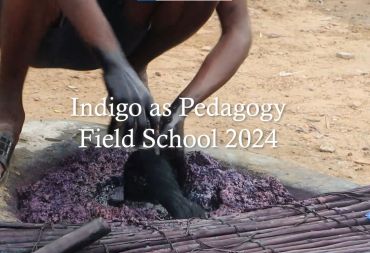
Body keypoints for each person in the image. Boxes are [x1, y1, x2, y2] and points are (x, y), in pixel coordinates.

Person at [0, 0, 252, 184]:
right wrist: (112, 62)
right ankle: (7, 106)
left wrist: (179, 111)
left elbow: (238, 30)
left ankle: (135, 65)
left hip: (120, 38)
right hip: (26, 24)